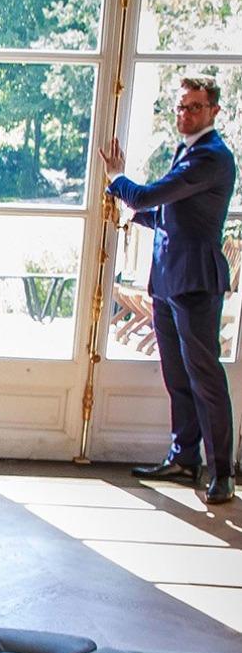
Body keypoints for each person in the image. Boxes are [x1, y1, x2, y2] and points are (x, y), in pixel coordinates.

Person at [102, 76, 238, 504]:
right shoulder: (187, 151)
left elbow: (146, 197)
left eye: (195, 107)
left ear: (214, 111)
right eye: (181, 107)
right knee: (177, 376)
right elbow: (168, 216)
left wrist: (117, 179)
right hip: (166, 280)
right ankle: (184, 459)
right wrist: (131, 216)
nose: (186, 115)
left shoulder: (212, 158)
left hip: (196, 282)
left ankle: (221, 473)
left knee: (205, 379)